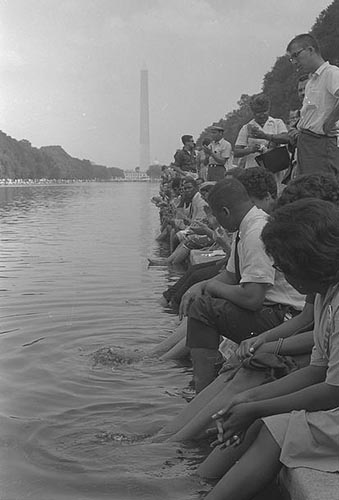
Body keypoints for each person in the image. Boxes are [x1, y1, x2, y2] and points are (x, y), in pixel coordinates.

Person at [203, 198, 339, 500]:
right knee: (255, 420)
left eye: (282, 264)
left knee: (272, 430)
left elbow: (332, 390)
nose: (278, 269)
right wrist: (248, 399)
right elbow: (317, 370)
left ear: (308, 262)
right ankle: (197, 481)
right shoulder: (325, 293)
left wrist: (257, 407)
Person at [182, 177, 304, 393]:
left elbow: (252, 298)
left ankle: (202, 386)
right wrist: (199, 286)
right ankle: (205, 374)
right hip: (271, 309)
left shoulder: (256, 233)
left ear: (225, 212)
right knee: (200, 296)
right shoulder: (244, 228)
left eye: (216, 215)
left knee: (202, 309)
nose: (216, 222)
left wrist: (211, 288)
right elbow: (230, 275)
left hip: (284, 315)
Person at [286, 33, 339, 176]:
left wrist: (330, 122)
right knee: (307, 189)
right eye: (292, 58)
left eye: (296, 55)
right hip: (307, 144)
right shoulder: (311, 81)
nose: (294, 62)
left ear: (310, 50)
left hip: (321, 144)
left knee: (322, 189)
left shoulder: (331, 73)